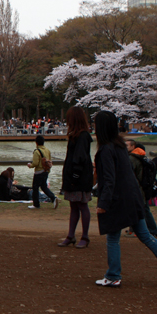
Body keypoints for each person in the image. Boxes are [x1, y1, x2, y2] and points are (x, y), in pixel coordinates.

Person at [93, 111, 157, 288]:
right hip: (133, 197)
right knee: (145, 235)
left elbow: (110, 179)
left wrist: (103, 203)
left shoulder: (106, 150)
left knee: (113, 237)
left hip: (118, 200)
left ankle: (113, 275)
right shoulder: (119, 146)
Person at [58, 106, 93, 248]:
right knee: (73, 205)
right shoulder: (75, 134)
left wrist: (75, 174)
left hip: (79, 176)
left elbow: (80, 157)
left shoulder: (83, 136)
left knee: (82, 205)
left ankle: (85, 236)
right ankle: (70, 235)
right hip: (73, 175)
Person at [125, 140, 157, 237]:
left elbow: (130, 175)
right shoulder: (141, 156)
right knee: (139, 208)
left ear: (133, 146)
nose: (125, 147)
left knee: (142, 209)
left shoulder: (132, 158)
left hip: (137, 188)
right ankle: (136, 230)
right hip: (142, 187)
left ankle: (151, 230)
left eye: (127, 145)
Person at [27, 135, 57, 209]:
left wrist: (30, 165)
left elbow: (35, 163)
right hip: (46, 171)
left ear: (36, 143)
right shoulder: (47, 150)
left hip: (38, 172)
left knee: (35, 187)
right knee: (44, 187)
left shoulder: (37, 152)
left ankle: (36, 204)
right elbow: (49, 161)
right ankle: (53, 197)